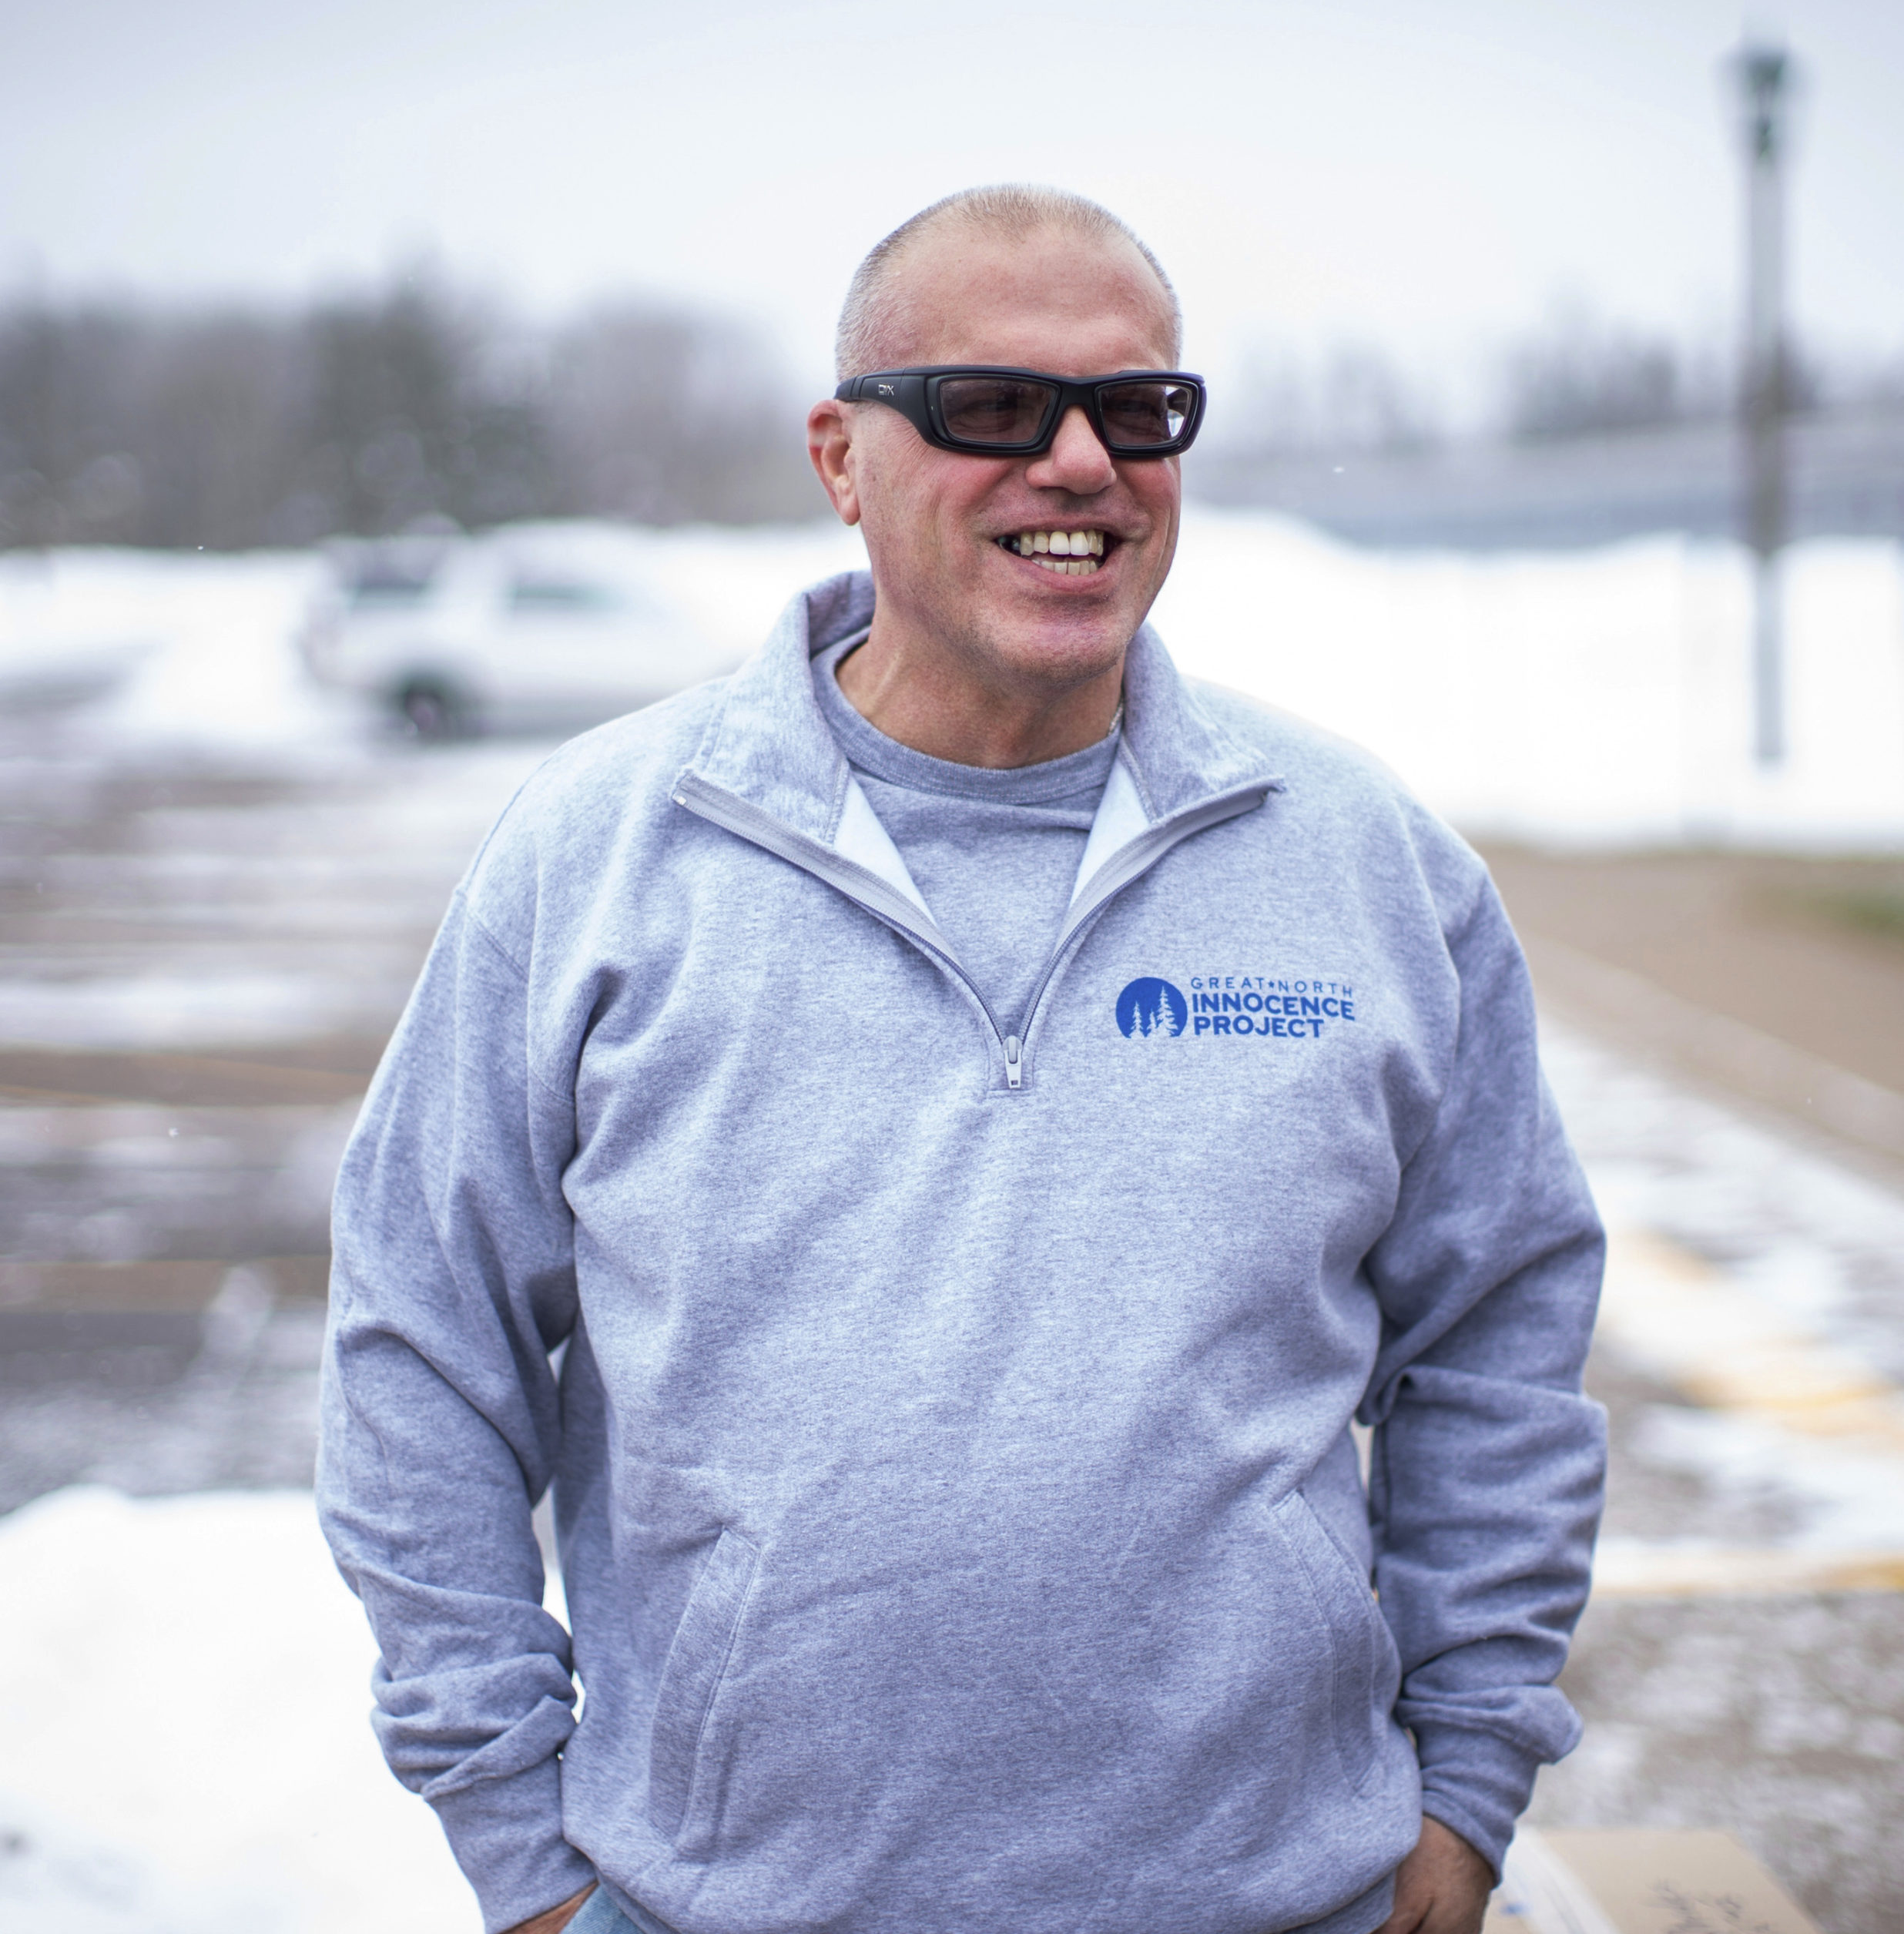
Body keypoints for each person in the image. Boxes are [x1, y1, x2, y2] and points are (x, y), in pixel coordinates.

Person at [318, 185, 1605, 1934]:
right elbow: (420, 1335)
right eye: (994, 407)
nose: (1080, 460)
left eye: (1137, 410)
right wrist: (517, 1842)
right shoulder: (602, 854)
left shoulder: (1361, 860)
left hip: (1280, 1897)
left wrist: (1463, 1787)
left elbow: (1503, 1335)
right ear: (842, 457)